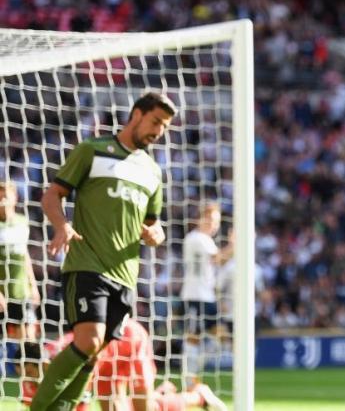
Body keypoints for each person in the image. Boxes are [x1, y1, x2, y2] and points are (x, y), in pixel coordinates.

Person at [30, 91, 177, 410]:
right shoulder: (92, 151)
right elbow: (52, 196)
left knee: (94, 352)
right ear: (136, 115)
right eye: (155, 122)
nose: (158, 132)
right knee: (89, 341)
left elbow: (155, 225)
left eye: (164, 126)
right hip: (87, 264)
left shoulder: (152, 171)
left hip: (125, 276)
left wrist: (156, 234)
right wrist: (62, 225)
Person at [13, 320, 227, 411]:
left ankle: (198, 395)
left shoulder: (67, 362)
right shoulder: (29, 376)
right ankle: (164, 390)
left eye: (34, 373)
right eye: (26, 375)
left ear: (45, 364)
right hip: (103, 364)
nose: (32, 379)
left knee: (145, 408)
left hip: (129, 341)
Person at [179, 202, 234, 388]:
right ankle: (189, 381)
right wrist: (236, 243)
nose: (213, 224)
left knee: (222, 337)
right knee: (194, 338)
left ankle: (192, 375)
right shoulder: (197, 238)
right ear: (200, 218)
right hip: (195, 297)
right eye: (210, 219)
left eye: (216, 221)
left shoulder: (203, 240)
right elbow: (219, 258)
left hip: (206, 297)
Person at [0, 181, 41, 341]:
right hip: (2, 292)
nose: (2, 200)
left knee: (28, 343)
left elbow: (24, 255)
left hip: (21, 291)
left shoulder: (22, 222)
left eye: (6, 196)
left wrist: (34, 286)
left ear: (15, 198)